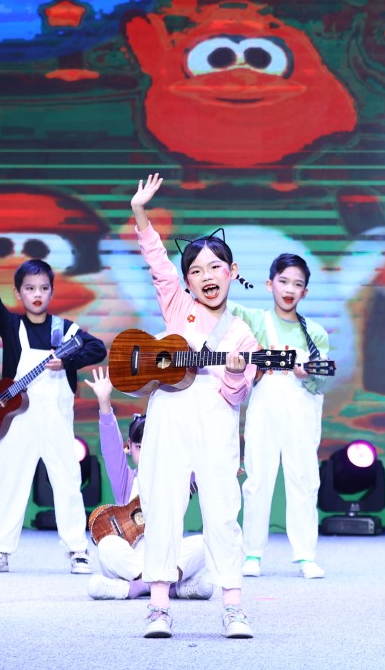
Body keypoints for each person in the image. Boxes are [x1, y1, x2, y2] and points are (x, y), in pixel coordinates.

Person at [130, 174, 259, 640]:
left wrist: (236, 372)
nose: (207, 277)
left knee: (222, 510)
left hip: (216, 423)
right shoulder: (176, 305)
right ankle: (158, 607)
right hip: (169, 414)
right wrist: (140, 211)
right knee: (162, 505)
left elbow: (236, 396)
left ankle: (233, 607)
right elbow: (156, 260)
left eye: (215, 267)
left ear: (232, 271)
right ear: (186, 281)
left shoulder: (243, 334)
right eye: (197, 271)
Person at [0, 221, 105, 575]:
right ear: (19, 293)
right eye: (29, 288)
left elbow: (98, 348)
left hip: (56, 423)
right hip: (17, 421)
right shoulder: (12, 327)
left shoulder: (65, 330)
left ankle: (78, 551)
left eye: (43, 288)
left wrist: (67, 359)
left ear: (52, 291)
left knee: (67, 483)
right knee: (9, 482)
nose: (37, 294)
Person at [236, 252, 330, 580]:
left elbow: (321, 379)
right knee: (258, 479)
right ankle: (252, 553)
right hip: (265, 405)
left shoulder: (315, 333)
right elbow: (218, 308)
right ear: (270, 284)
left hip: (301, 408)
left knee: (303, 479)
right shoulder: (255, 320)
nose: (289, 289)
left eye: (297, 284)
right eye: (283, 281)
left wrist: (309, 374)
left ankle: (306, 555)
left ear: (305, 291)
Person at [83, 366, 213, 601]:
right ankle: (170, 588)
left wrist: (223, 468)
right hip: (131, 560)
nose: (145, 453)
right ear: (129, 447)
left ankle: (134, 589)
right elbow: (110, 447)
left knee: (206, 543)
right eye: (139, 447)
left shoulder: (178, 474)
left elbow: (205, 462)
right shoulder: (126, 480)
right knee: (107, 546)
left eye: (151, 446)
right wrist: (104, 401)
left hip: (168, 555)